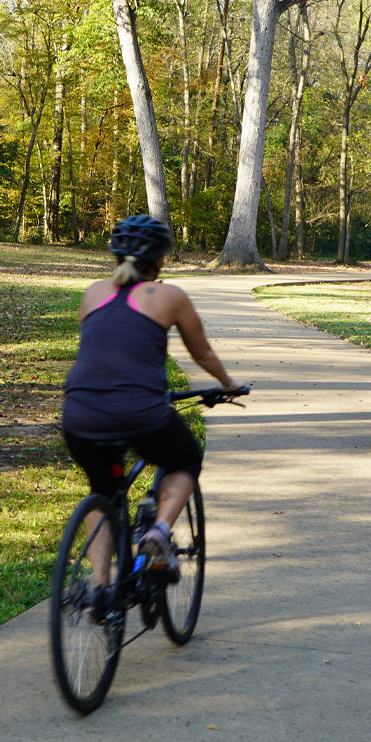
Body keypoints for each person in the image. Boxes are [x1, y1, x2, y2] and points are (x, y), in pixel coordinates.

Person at [62, 214, 244, 581]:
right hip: (139, 412)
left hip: (79, 414)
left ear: (113, 256)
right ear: (160, 260)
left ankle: (100, 587)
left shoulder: (94, 292)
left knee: (102, 489)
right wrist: (228, 385)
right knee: (186, 459)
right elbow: (202, 354)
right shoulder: (169, 295)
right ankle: (158, 534)